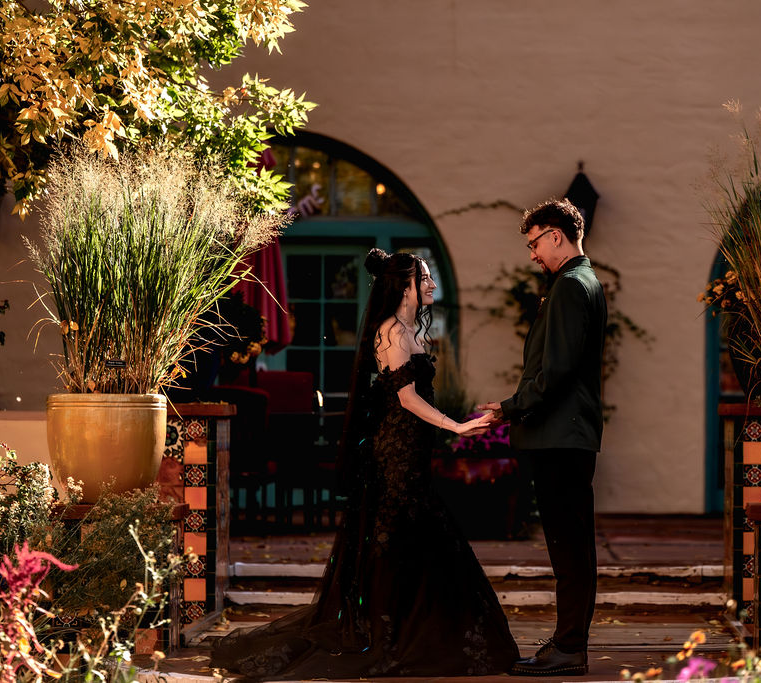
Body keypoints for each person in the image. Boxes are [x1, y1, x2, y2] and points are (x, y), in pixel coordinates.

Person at [210, 249, 519, 679]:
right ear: (405, 285)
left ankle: (408, 625)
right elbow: (407, 399)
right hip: (394, 453)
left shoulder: (410, 330)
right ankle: (387, 629)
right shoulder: (391, 332)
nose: (431, 285)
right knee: (400, 537)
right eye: (424, 278)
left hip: (411, 450)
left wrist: (456, 423)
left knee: (414, 537)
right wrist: (456, 427)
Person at [478, 199, 607, 677]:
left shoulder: (573, 286)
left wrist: (509, 408)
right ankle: (567, 642)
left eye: (534, 243)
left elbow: (556, 370)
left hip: (561, 438)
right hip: (564, 436)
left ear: (556, 235)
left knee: (570, 548)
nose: (532, 254)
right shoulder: (579, 283)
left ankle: (570, 648)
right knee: (569, 546)